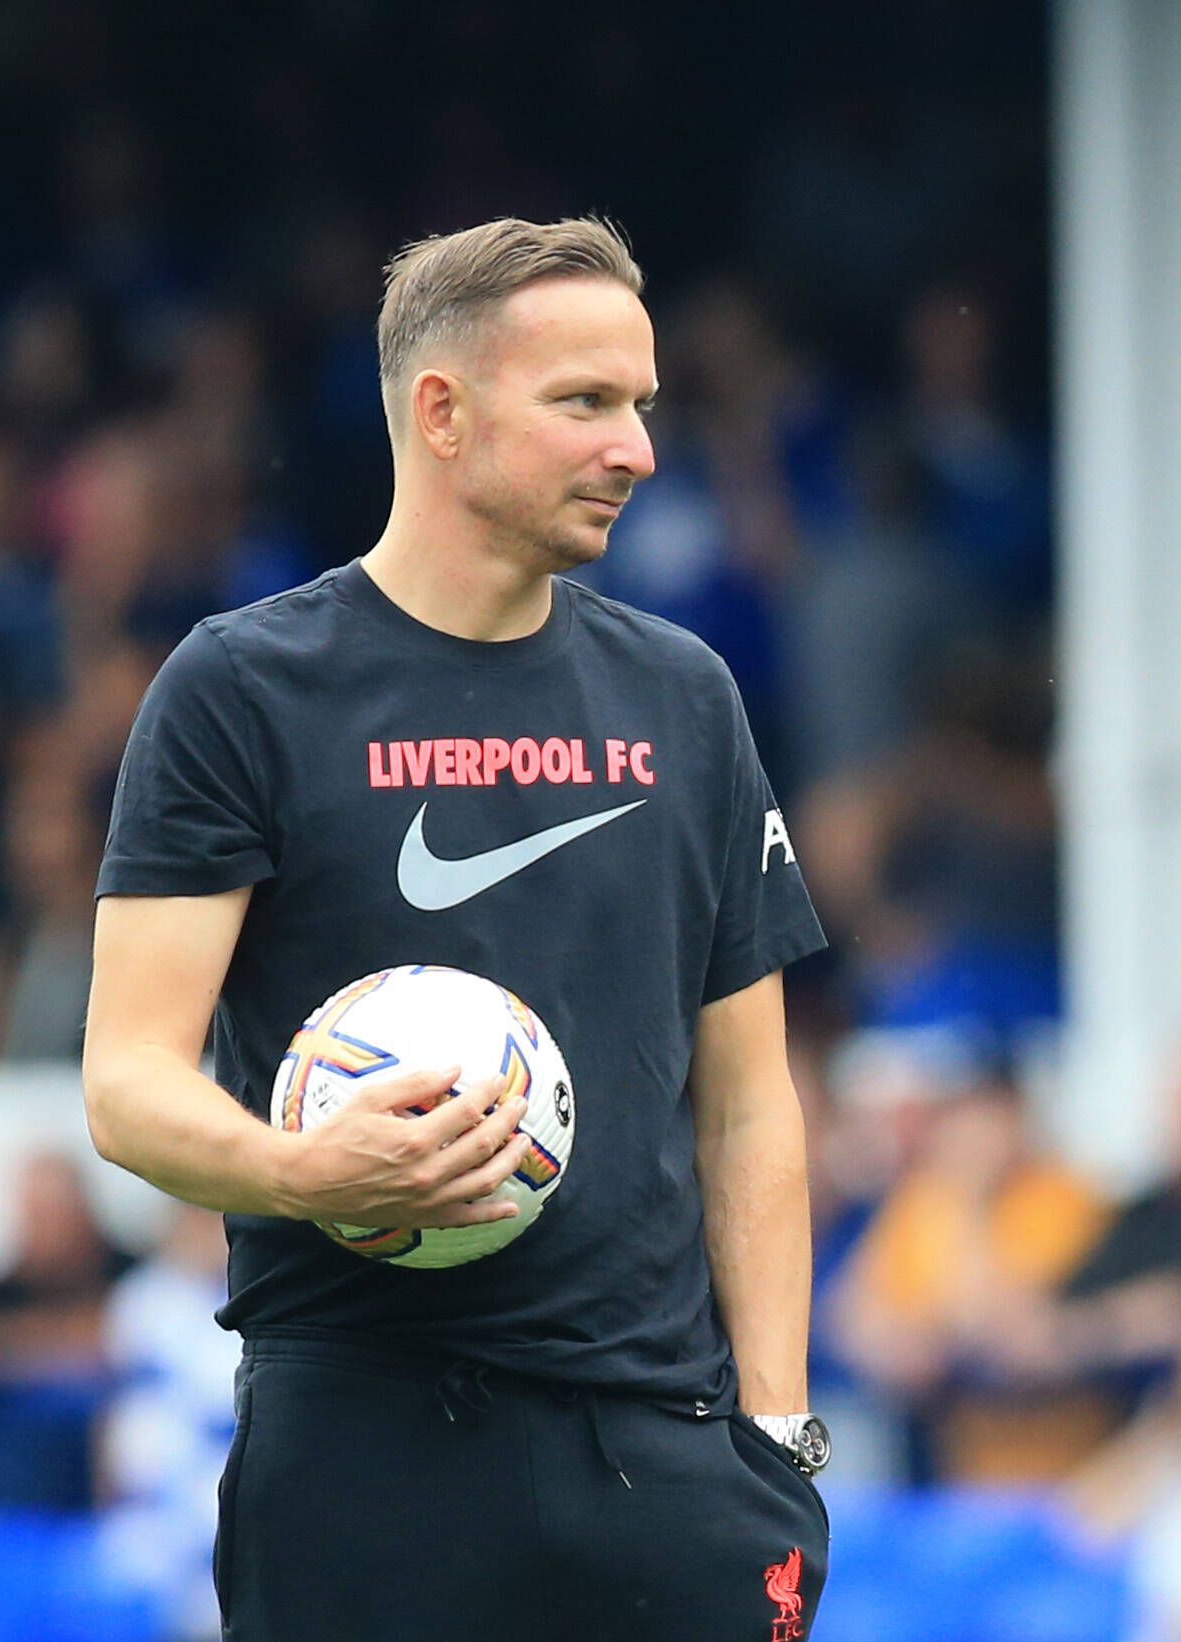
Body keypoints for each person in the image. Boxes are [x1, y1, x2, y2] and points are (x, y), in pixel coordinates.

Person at [81, 217, 831, 1642]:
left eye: (642, 406)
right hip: (362, 1449)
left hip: (662, 1459)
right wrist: (307, 1169)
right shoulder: (242, 689)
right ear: (442, 412)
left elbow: (748, 1107)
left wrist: (780, 1433)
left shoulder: (688, 696)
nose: (638, 450)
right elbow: (127, 1083)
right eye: (586, 403)